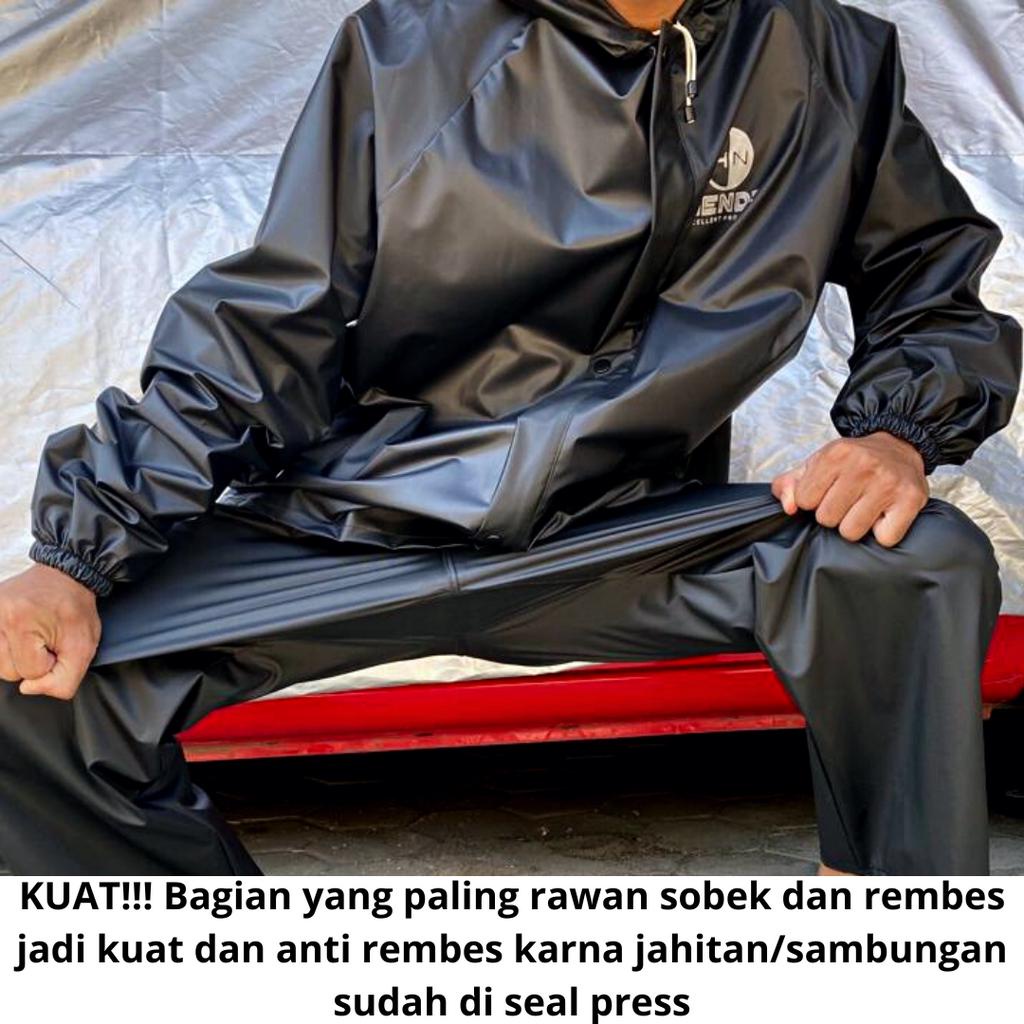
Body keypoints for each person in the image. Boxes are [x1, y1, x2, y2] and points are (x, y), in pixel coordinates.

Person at [0, 0, 1019, 876]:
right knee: (29, 690)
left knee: (914, 563)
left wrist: (896, 436)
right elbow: (275, 322)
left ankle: (886, 953)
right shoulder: (411, 44)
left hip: (623, 534)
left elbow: (930, 282)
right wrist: (78, 555)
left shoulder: (828, 56)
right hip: (362, 523)